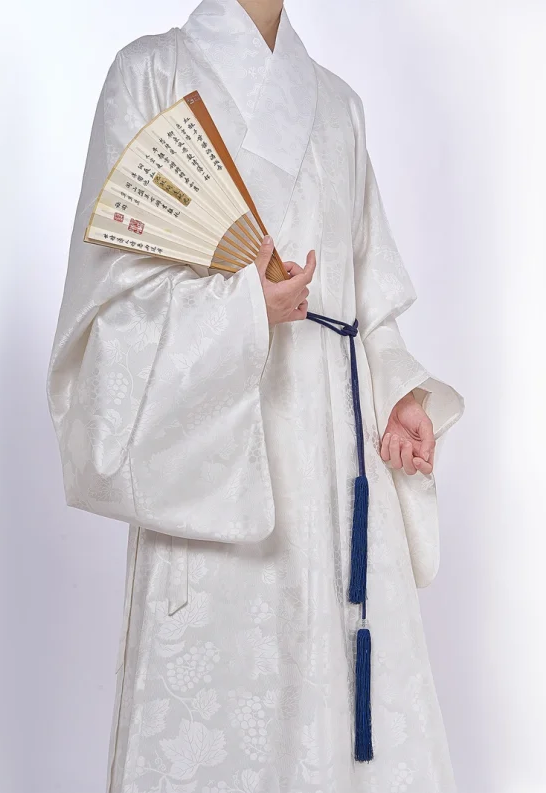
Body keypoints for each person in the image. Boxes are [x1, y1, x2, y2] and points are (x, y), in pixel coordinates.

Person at [46, 0, 465, 790]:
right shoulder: (151, 73)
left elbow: (366, 297)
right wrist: (241, 310)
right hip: (216, 455)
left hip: (333, 454)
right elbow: (111, 306)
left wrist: (397, 393)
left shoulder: (338, 106)